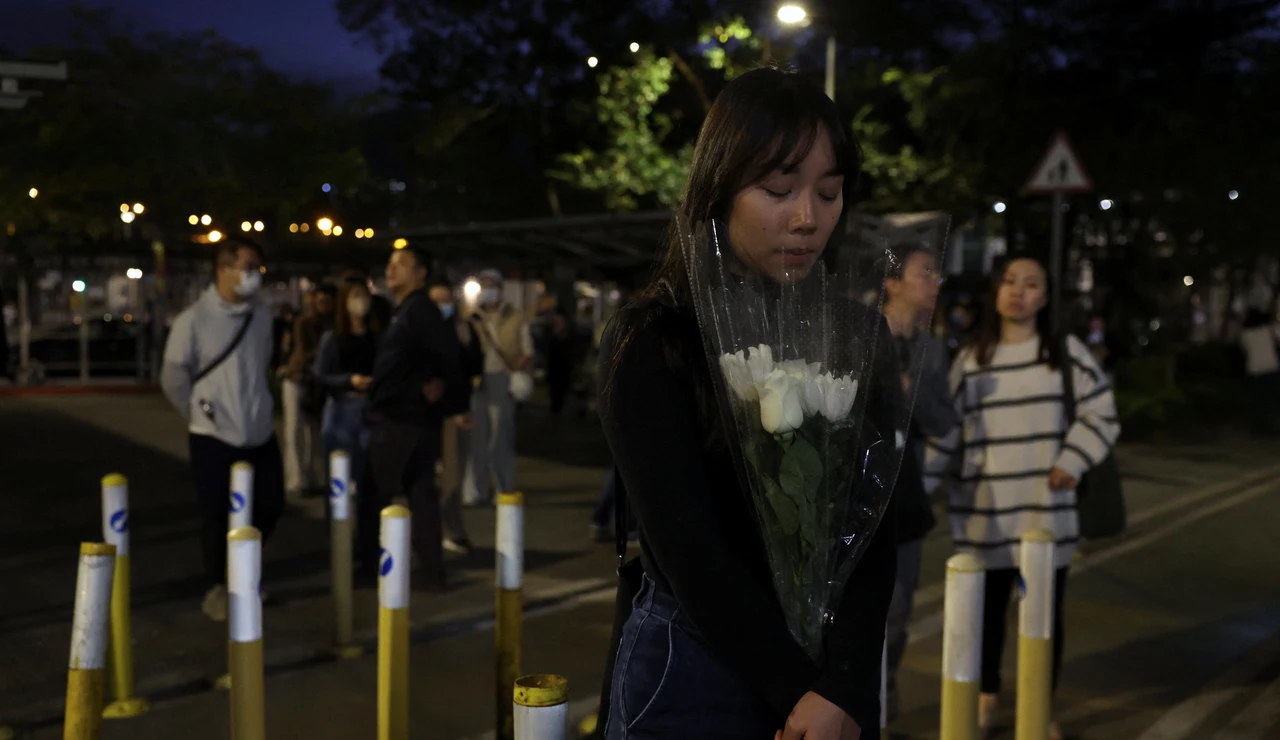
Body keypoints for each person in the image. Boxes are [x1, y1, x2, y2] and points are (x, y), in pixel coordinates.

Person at [598, 68, 898, 739]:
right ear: (718, 188)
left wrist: (844, 685)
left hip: (831, 687)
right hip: (694, 669)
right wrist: (799, 693)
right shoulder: (655, 340)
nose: (807, 218)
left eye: (829, 191)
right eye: (778, 188)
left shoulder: (856, 336)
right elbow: (688, 549)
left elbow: (879, 531)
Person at [925, 256, 1120, 740]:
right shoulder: (972, 357)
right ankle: (986, 699)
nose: (1018, 291)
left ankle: (1040, 707)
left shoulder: (1063, 350)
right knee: (985, 616)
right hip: (983, 513)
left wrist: (1070, 461)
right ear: (995, 293)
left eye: (1032, 284)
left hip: (1046, 515)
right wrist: (918, 486)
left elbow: (1101, 412)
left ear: (1046, 297)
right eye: (1010, 282)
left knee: (1043, 619)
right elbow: (948, 432)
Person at [160, 236, 284, 622]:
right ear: (223, 270)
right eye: (247, 268)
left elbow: (262, 362)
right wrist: (197, 411)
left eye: (258, 269)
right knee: (217, 514)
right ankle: (219, 586)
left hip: (259, 430)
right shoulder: (193, 320)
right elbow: (173, 375)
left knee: (270, 504)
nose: (254, 276)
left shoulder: (261, 315)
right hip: (213, 436)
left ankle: (244, 571)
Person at [879, 242, 958, 725]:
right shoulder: (860, 332)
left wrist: (914, 394)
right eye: (924, 272)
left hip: (905, 499)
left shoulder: (932, 351)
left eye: (936, 273)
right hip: (855, 499)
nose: (934, 282)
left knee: (898, 610)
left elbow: (944, 421)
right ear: (891, 283)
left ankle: (883, 705)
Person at [362, 247, 470, 590]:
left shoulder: (419, 310)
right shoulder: (407, 310)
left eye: (402, 264)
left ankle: (373, 567)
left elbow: (449, 356)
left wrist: (449, 398)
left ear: (421, 272)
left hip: (402, 419)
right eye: (390, 263)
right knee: (420, 493)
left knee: (376, 494)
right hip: (411, 417)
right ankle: (431, 573)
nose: (391, 269)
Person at [463, 268, 533, 506]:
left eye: (492, 285)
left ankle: (503, 489)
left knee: (500, 437)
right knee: (477, 438)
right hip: (476, 380)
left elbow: (528, 351)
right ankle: (476, 490)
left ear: (501, 289)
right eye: (484, 285)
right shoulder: (472, 317)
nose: (488, 290)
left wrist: (516, 368)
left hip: (501, 379)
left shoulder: (515, 316)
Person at [429, 280, 484, 554]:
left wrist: (468, 336)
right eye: (438, 301)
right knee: (449, 476)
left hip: (460, 409)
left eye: (447, 300)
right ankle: (449, 530)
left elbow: (473, 365)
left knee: (457, 473)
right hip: (444, 414)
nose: (444, 307)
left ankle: (452, 528)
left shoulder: (461, 328)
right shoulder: (428, 333)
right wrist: (453, 411)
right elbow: (441, 376)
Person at [314, 276, 383, 495]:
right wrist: (349, 380)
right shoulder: (333, 338)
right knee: (340, 478)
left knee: (368, 476)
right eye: (355, 296)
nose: (361, 301)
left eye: (364, 296)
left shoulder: (377, 336)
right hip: (341, 409)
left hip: (370, 409)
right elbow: (321, 374)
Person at [281, 284, 335, 502]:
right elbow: (300, 352)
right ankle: (297, 478)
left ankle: (308, 476)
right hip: (297, 378)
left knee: (311, 431)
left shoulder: (329, 325)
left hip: (312, 380)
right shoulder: (303, 323)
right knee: (295, 428)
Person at [1240, 307, 1280, 436]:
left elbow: (1245, 350)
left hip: (1254, 369)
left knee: (1257, 400)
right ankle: (1271, 425)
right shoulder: (1269, 330)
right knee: (1272, 399)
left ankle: (1257, 427)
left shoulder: (1245, 334)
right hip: (1271, 367)